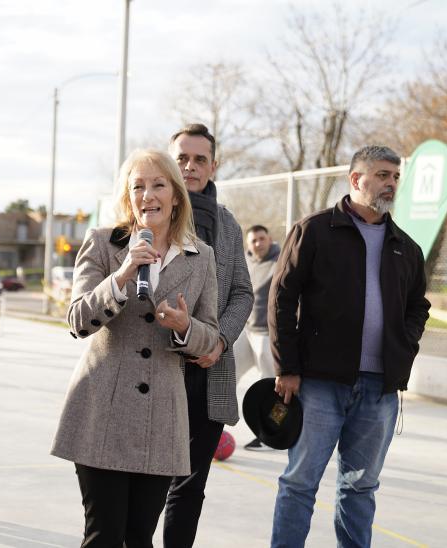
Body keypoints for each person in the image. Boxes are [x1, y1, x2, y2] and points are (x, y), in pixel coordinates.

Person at [51, 149, 220, 548]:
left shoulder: (201, 257)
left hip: (163, 419)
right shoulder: (102, 244)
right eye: (138, 186)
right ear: (128, 197)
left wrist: (185, 327)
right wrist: (124, 273)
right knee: (104, 536)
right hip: (101, 412)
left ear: (176, 195)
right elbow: (78, 320)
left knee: (139, 539)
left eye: (158, 184)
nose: (148, 195)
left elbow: (211, 337)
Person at [268, 145, 431, 548]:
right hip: (320, 383)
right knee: (300, 482)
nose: (391, 182)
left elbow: (418, 307)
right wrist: (287, 367)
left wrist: (403, 350)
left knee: (361, 488)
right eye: (382, 174)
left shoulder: (406, 247)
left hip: (380, 390)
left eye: (395, 175)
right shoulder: (315, 230)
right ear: (356, 180)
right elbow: (282, 298)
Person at [164, 123, 253, 547]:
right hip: (156, 370)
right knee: (146, 483)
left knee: (190, 488)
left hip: (210, 372)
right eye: (181, 158)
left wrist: (219, 342)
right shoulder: (150, 214)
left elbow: (242, 292)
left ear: (213, 166)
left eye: (200, 159)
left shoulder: (229, 225)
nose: (190, 166)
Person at [233, 224, 280, 451]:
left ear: (269, 238)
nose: (258, 243)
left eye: (262, 238)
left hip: (268, 334)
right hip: (246, 330)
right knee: (226, 372)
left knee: (270, 385)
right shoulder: (245, 261)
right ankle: (212, 426)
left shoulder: (281, 260)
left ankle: (268, 432)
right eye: (254, 240)